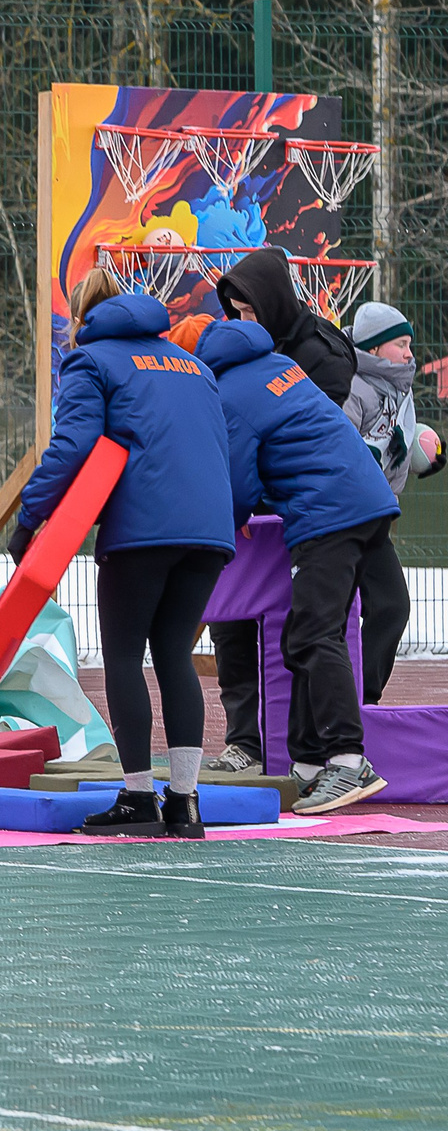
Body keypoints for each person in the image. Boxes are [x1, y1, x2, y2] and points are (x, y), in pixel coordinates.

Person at [14, 268, 234, 838]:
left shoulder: (92, 362)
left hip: (142, 528)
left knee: (122, 658)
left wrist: (30, 517)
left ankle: (138, 796)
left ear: (83, 318)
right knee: (174, 656)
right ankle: (184, 802)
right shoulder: (194, 365)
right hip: (209, 530)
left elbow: (73, 444)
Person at [199, 311, 402, 814]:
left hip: (329, 514)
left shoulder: (230, 393)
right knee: (305, 634)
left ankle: (348, 760)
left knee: (314, 635)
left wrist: (226, 521)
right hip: (369, 502)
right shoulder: (280, 368)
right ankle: (310, 763)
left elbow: (239, 481)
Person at [201, 246, 355, 772]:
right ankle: (249, 742)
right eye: (236, 313)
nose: (244, 322)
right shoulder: (238, 366)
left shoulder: (319, 353)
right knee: (232, 624)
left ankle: (340, 742)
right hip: (265, 519)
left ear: (272, 301)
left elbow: (302, 439)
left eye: (250, 311)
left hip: (316, 515)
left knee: (321, 630)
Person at [343, 300, 435, 704]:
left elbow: (403, 439)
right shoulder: (351, 385)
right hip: (343, 519)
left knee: (392, 606)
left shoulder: (402, 388)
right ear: (376, 348)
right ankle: (333, 703)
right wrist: (375, 453)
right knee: (329, 619)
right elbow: (340, 448)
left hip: (377, 516)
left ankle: (364, 698)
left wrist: (423, 457)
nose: (410, 353)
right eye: (401, 344)